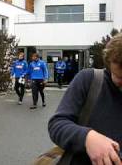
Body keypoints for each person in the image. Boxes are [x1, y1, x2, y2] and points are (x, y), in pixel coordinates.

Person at [48, 33, 122, 165]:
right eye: (118, 76)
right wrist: (88, 138)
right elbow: (57, 124)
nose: (119, 81)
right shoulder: (89, 80)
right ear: (109, 62)